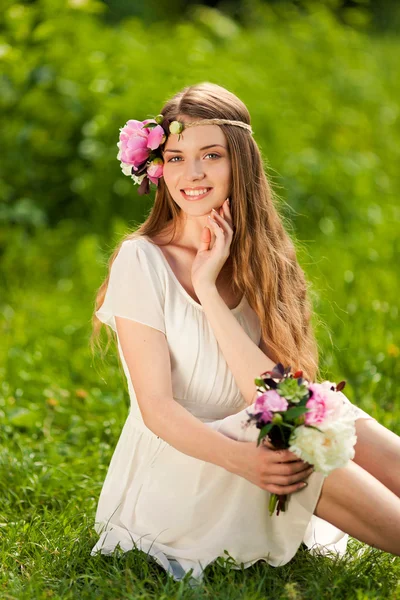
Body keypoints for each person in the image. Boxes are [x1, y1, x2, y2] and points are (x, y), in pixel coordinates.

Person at [89, 82, 400, 584]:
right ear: (158, 166)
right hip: (182, 471)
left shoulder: (263, 257)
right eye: (176, 157)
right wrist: (245, 462)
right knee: (295, 430)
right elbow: (158, 410)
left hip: (256, 440)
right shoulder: (141, 261)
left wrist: (210, 289)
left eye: (211, 155)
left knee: (325, 410)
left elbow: (272, 393)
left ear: (241, 164)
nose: (192, 174)